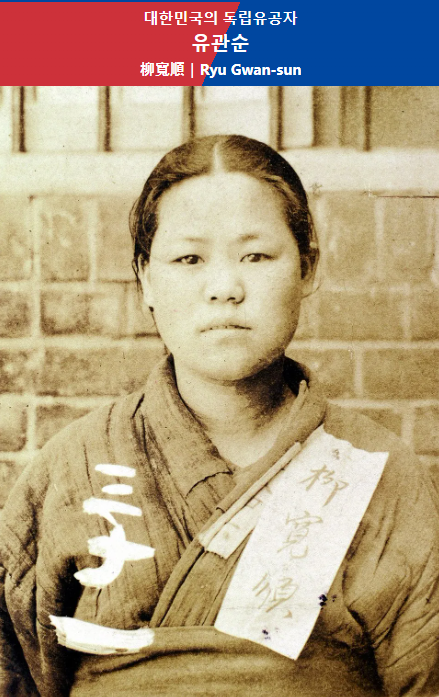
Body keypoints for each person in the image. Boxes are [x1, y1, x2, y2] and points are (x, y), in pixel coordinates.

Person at [0, 135, 438, 697]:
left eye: (256, 256)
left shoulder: (380, 473)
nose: (225, 289)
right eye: (189, 259)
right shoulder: (74, 465)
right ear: (146, 279)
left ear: (307, 269)